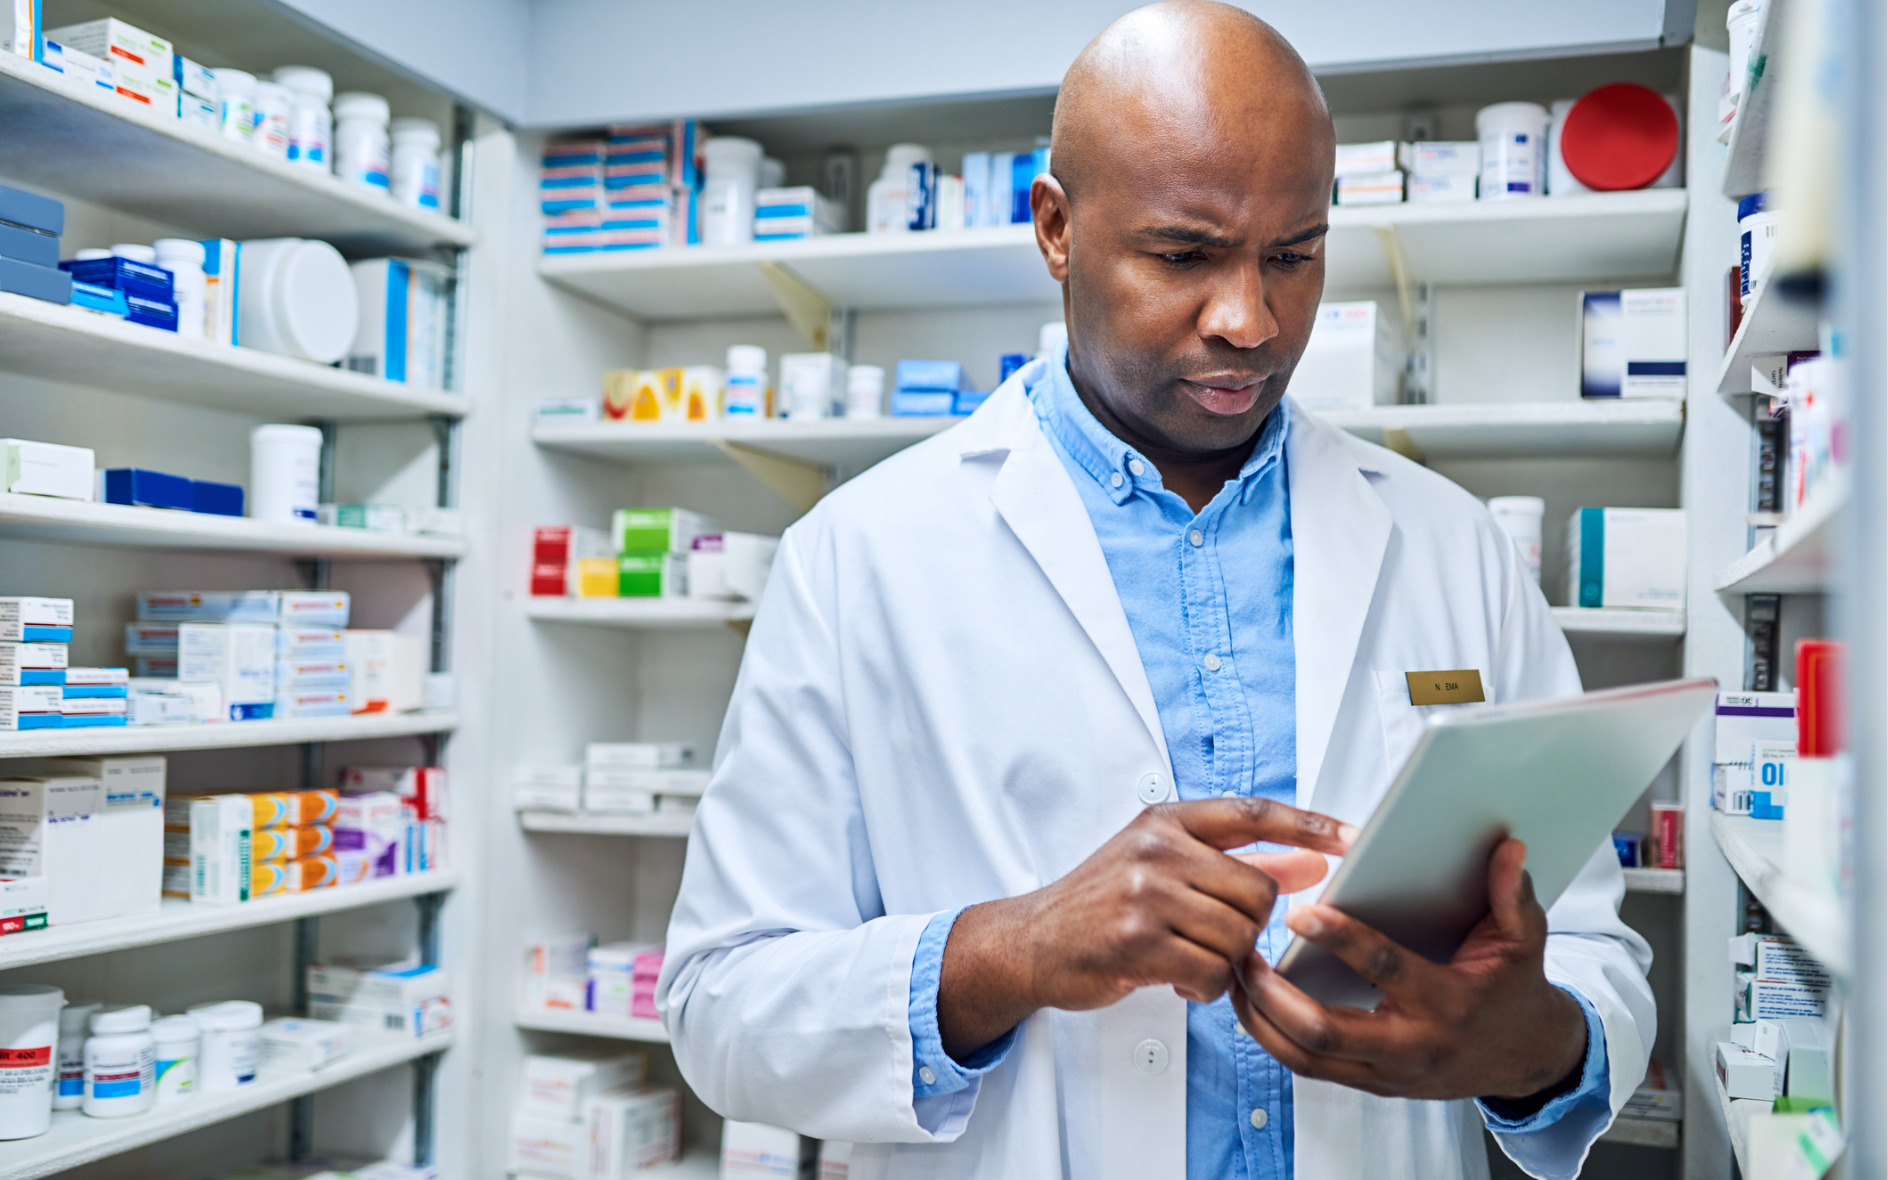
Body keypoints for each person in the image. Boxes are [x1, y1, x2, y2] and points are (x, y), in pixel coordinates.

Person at [657, 4, 1654, 1178]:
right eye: (1183, 255)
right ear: (1057, 228)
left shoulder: (1452, 548)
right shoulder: (859, 553)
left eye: (1293, 254)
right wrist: (1009, 951)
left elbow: (1587, 943)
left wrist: (1531, 1044)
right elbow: (721, 1005)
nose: (1251, 320)